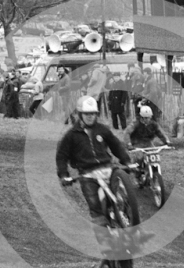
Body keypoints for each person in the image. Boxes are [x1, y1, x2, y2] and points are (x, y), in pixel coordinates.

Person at [56, 96, 132, 227]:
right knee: (94, 204)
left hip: (108, 167)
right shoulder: (71, 135)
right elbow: (62, 156)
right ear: (80, 114)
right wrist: (64, 175)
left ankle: (127, 213)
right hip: (87, 173)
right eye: (87, 114)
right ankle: (103, 235)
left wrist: (126, 161)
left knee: (124, 190)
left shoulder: (103, 129)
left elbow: (116, 145)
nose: (90, 116)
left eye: (93, 114)